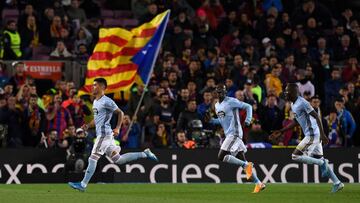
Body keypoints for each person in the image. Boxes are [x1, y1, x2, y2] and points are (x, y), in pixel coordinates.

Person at [68, 78, 158, 192]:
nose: (92, 87)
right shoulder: (96, 101)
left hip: (104, 135)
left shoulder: (107, 101)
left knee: (93, 158)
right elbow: (97, 119)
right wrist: (87, 125)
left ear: (102, 87)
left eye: (95, 85)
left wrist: (118, 127)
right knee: (118, 160)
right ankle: (144, 154)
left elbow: (120, 112)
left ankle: (83, 184)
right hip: (105, 135)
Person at [270, 83, 344, 193]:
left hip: (313, 134)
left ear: (295, 92)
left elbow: (316, 116)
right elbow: (296, 121)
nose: (286, 93)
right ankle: (337, 183)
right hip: (312, 134)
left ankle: (322, 164)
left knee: (295, 156)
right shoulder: (293, 103)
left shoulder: (303, 103)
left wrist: (323, 135)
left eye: (288, 91)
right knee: (320, 159)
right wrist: (281, 131)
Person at [214, 85, 265, 193]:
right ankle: (258, 183)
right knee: (243, 161)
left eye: (222, 91)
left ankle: (246, 165)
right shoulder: (217, 105)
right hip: (229, 135)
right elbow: (221, 120)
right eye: (218, 92)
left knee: (221, 156)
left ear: (225, 92)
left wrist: (248, 120)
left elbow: (248, 107)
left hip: (235, 133)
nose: (220, 94)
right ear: (216, 93)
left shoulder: (231, 101)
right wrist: (211, 121)